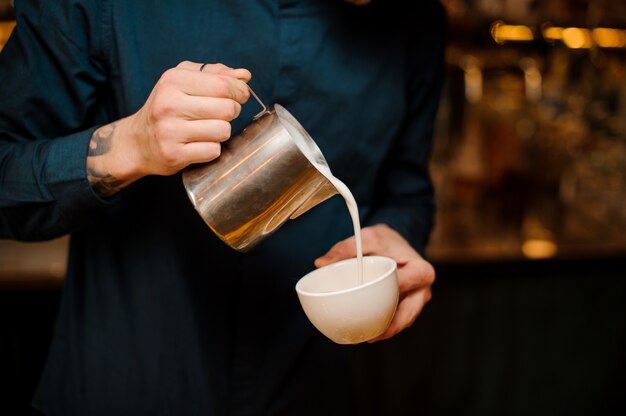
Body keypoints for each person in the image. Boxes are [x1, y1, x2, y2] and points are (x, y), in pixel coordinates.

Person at [0, 0, 446, 414]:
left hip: (311, 386)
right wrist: (131, 145)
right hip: (125, 381)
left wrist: (396, 234)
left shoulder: (417, 19)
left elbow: (407, 192)